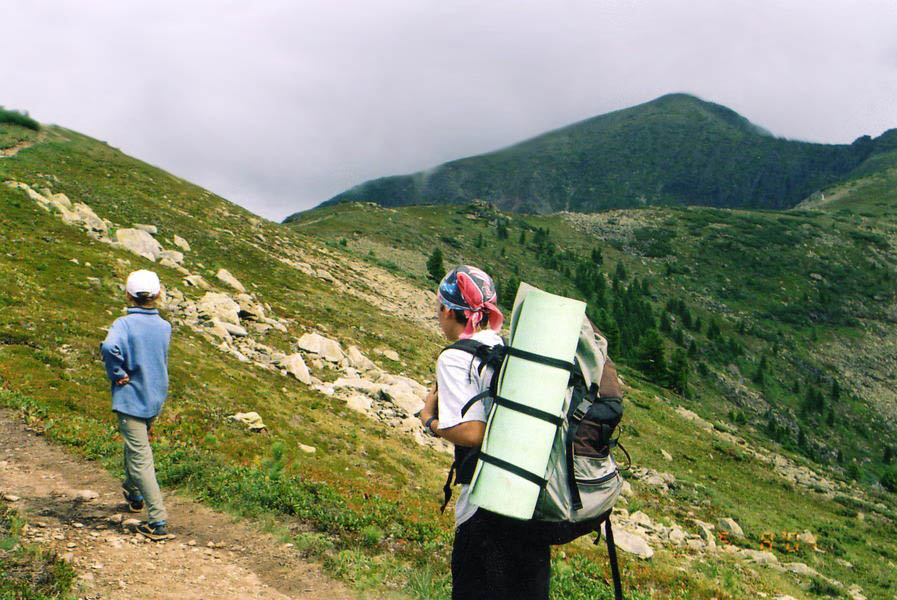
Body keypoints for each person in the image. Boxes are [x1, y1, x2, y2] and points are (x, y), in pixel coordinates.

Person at [418, 265, 551, 600]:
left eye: (439, 309)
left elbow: (474, 433)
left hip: (485, 503)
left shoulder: (454, 358)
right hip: (529, 500)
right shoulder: (506, 348)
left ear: (449, 310)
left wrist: (430, 420)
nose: (438, 316)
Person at [100, 269, 172, 541]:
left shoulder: (123, 324)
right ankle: (134, 493)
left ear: (127, 294)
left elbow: (109, 348)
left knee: (141, 458)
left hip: (131, 398)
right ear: (158, 295)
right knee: (137, 448)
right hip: (155, 397)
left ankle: (157, 520)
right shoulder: (165, 326)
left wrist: (118, 374)